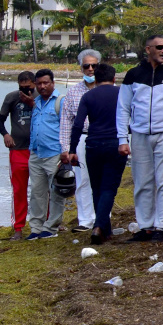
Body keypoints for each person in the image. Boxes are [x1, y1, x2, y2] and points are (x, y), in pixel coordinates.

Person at [116, 35, 163, 242]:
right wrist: (122, 139)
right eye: (159, 47)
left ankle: (161, 227)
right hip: (139, 135)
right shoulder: (133, 75)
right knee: (143, 181)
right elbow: (123, 108)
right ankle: (145, 227)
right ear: (148, 49)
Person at [68, 64, 126, 245]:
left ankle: (104, 229)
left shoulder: (88, 96)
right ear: (114, 78)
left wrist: (72, 150)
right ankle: (99, 226)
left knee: (97, 187)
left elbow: (77, 125)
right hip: (115, 143)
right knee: (109, 188)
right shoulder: (121, 95)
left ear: (96, 80)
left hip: (92, 144)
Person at [58, 49, 100, 234]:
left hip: (102, 137)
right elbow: (66, 122)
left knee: (101, 179)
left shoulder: (108, 89)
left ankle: (102, 218)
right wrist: (66, 148)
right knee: (82, 181)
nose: (90, 69)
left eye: (94, 65)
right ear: (81, 68)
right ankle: (85, 220)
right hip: (81, 138)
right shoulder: (73, 92)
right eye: (86, 66)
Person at [0, 71, 36, 240]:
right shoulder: (12, 98)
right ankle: (18, 227)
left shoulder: (41, 97)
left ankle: (47, 223)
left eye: (28, 87)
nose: (25, 90)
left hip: (38, 150)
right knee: (19, 190)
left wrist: (32, 102)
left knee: (43, 189)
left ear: (34, 84)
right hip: (18, 150)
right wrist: (5, 134)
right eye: (22, 87)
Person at [27, 68, 65, 240]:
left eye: (46, 83)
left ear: (53, 83)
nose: (42, 86)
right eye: (39, 83)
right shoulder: (36, 102)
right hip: (36, 153)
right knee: (36, 192)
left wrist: (66, 151)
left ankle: (51, 228)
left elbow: (66, 127)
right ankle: (35, 228)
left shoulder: (60, 101)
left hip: (54, 153)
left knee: (55, 191)